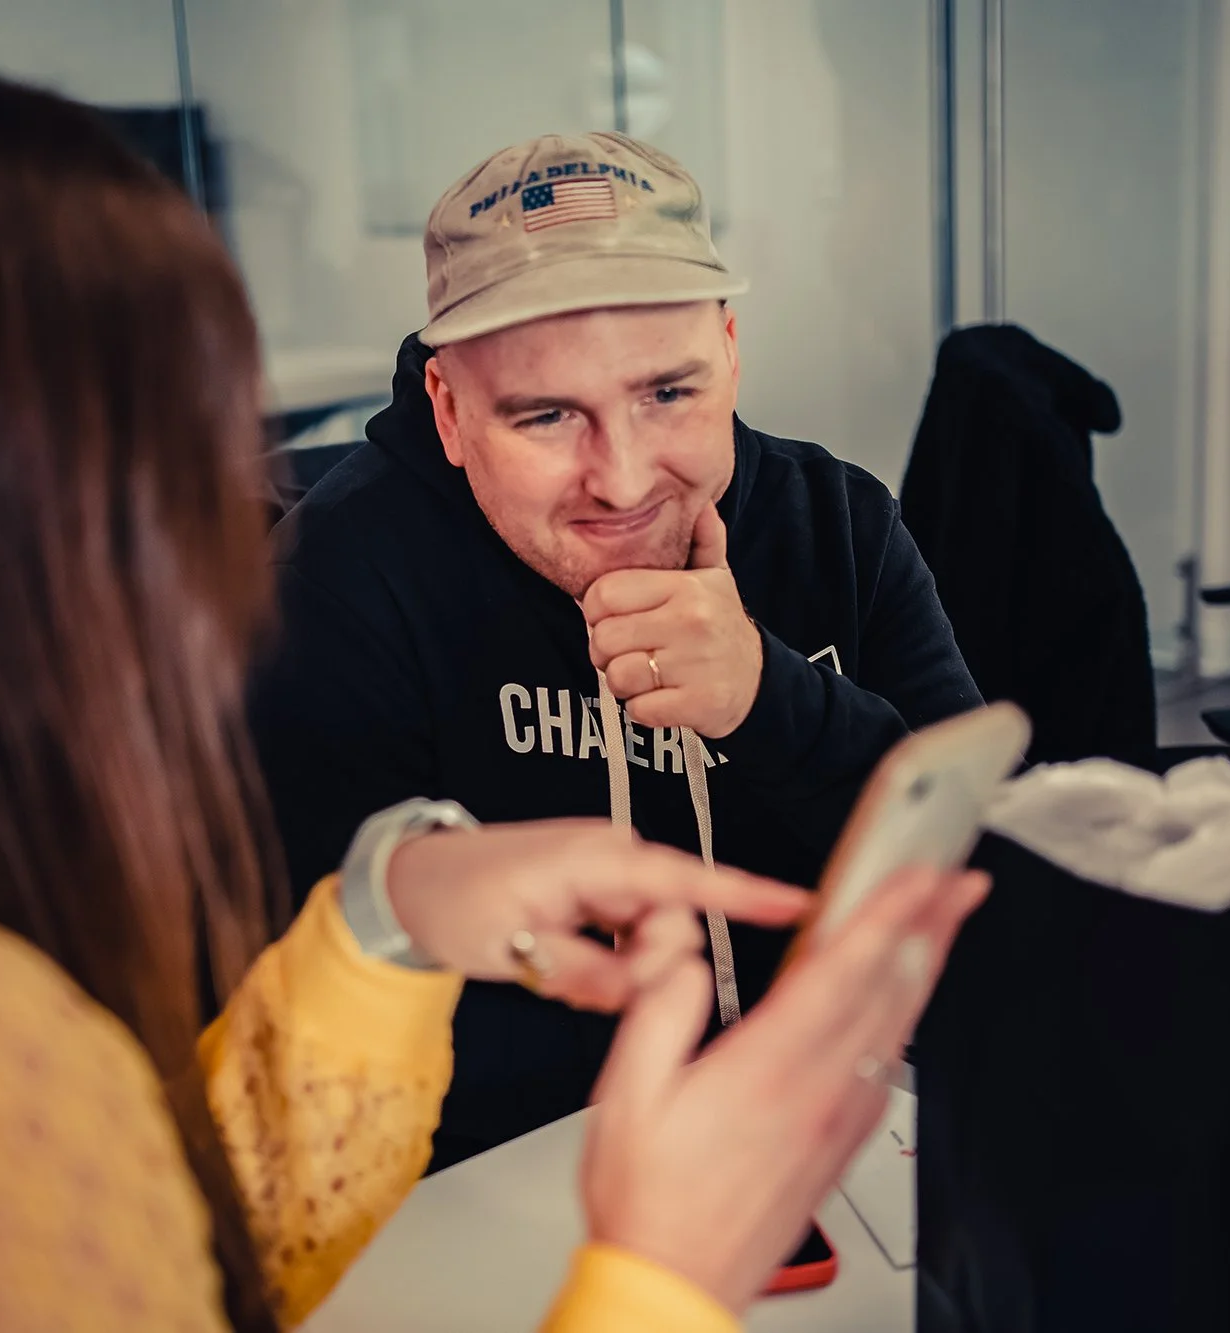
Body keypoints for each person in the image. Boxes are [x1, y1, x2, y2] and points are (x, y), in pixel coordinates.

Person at [0, 62, 989, 1333]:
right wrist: (662, 1277)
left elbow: (185, 1232)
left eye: (669, 394)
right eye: (164, 472)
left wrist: (382, 916)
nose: (217, 557)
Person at [253, 130, 983, 1165]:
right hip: (494, 1182)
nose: (625, 479)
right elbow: (306, 1019)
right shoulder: (333, 587)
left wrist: (766, 699)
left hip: (835, 1139)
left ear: (728, 352)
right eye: (546, 415)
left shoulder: (840, 527)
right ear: (449, 413)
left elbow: (988, 880)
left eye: (667, 393)